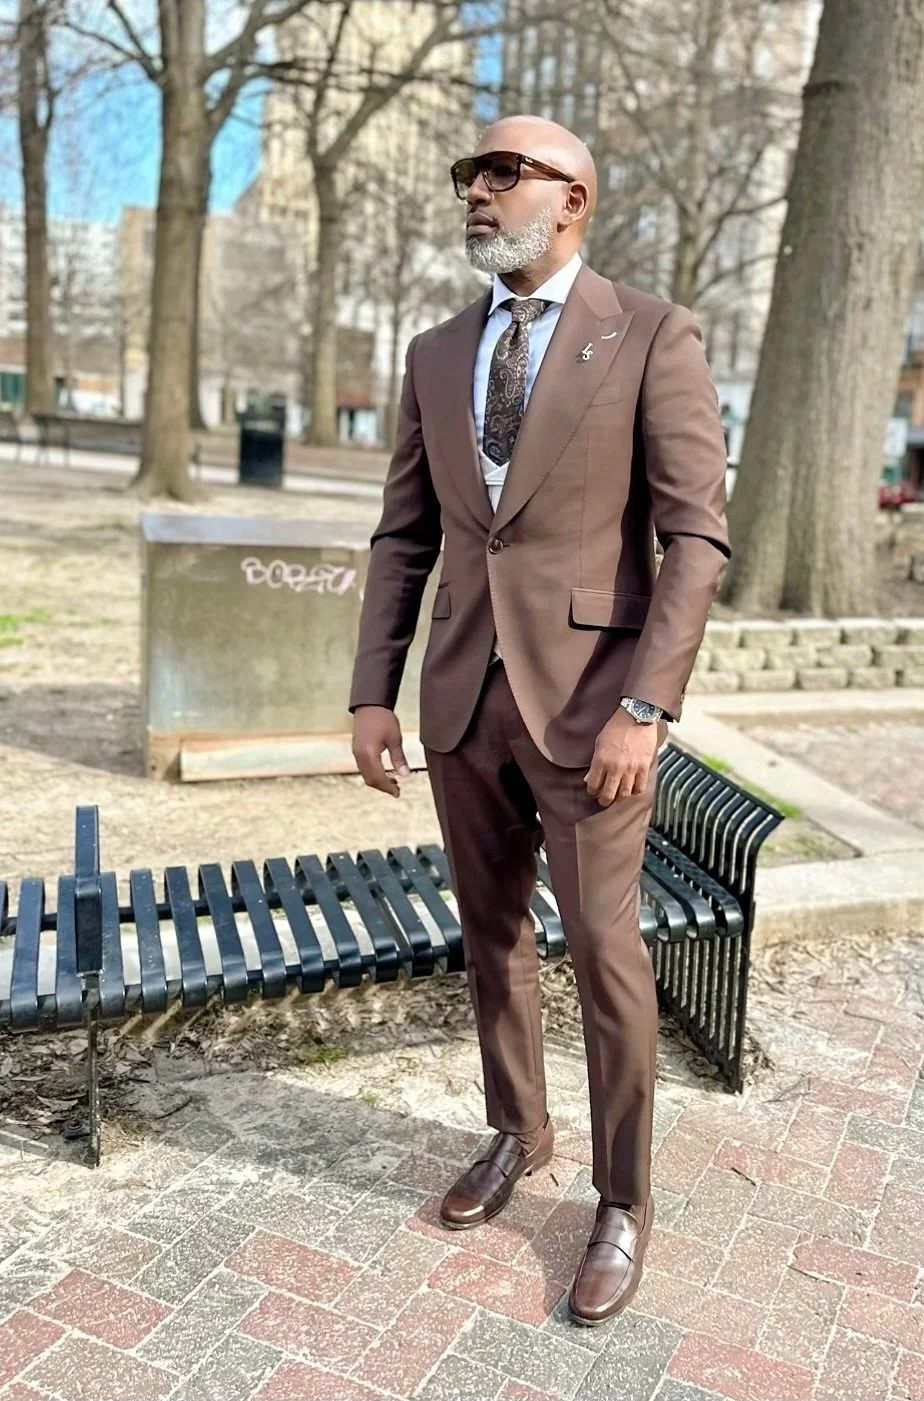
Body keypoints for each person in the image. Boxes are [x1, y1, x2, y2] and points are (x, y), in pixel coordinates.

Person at [349, 115, 729, 1326]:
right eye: (470, 173)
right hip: (462, 698)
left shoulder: (651, 333)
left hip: (592, 715)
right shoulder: (435, 352)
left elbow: (697, 540)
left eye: (501, 173)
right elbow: (407, 535)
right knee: (492, 940)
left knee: (610, 959)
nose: (476, 190)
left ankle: (624, 1200)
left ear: (571, 198)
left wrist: (645, 706)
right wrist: (373, 689)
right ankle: (518, 1130)